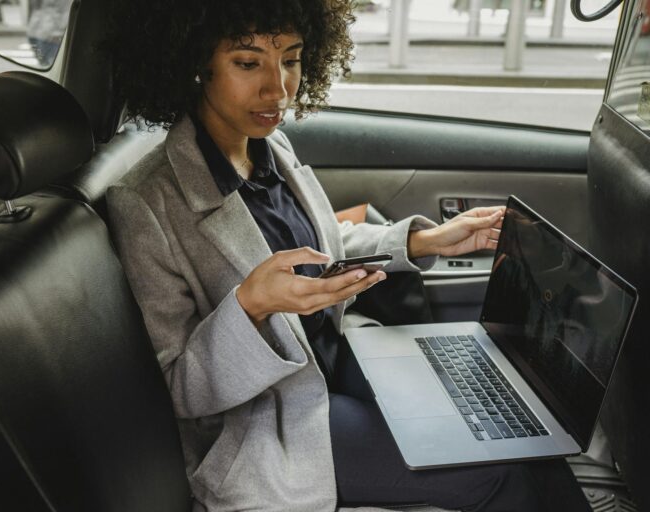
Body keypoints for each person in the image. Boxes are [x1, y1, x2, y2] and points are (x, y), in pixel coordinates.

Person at [106, 1, 592, 511]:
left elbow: (320, 249)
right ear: (195, 63)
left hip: (342, 360)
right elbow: (180, 388)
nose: (278, 89)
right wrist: (251, 305)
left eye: (291, 60)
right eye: (248, 63)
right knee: (502, 474)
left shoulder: (269, 146)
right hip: (268, 418)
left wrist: (423, 242)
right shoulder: (147, 203)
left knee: (530, 438)